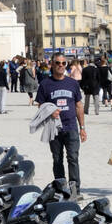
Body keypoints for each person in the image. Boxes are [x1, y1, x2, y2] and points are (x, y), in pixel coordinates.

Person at [35, 52, 87, 197]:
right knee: (57, 159)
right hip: (53, 128)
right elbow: (40, 106)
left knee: (73, 158)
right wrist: (49, 112)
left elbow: (78, 106)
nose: (61, 66)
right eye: (57, 63)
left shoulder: (73, 83)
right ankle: (61, 189)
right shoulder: (45, 84)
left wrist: (82, 127)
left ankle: (75, 191)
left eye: (63, 63)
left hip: (71, 127)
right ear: (52, 64)